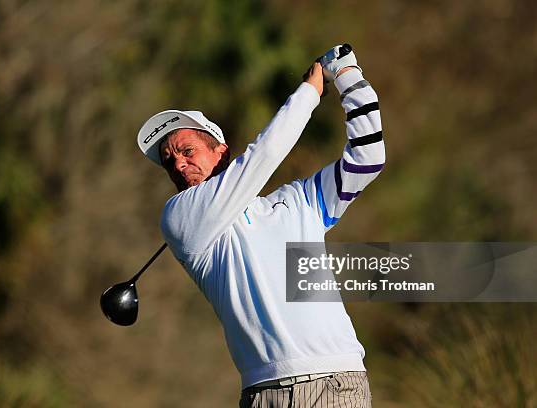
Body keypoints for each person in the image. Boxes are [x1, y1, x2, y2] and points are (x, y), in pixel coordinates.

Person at [137, 44, 384, 408]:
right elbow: (264, 155)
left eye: (187, 150)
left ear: (220, 151)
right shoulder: (178, 218)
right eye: (168, 160)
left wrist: (347, 75)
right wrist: (310, 92)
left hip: (336, 383)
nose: (177, 164)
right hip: (262, 394)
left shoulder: (299, 201)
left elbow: (368, 158)